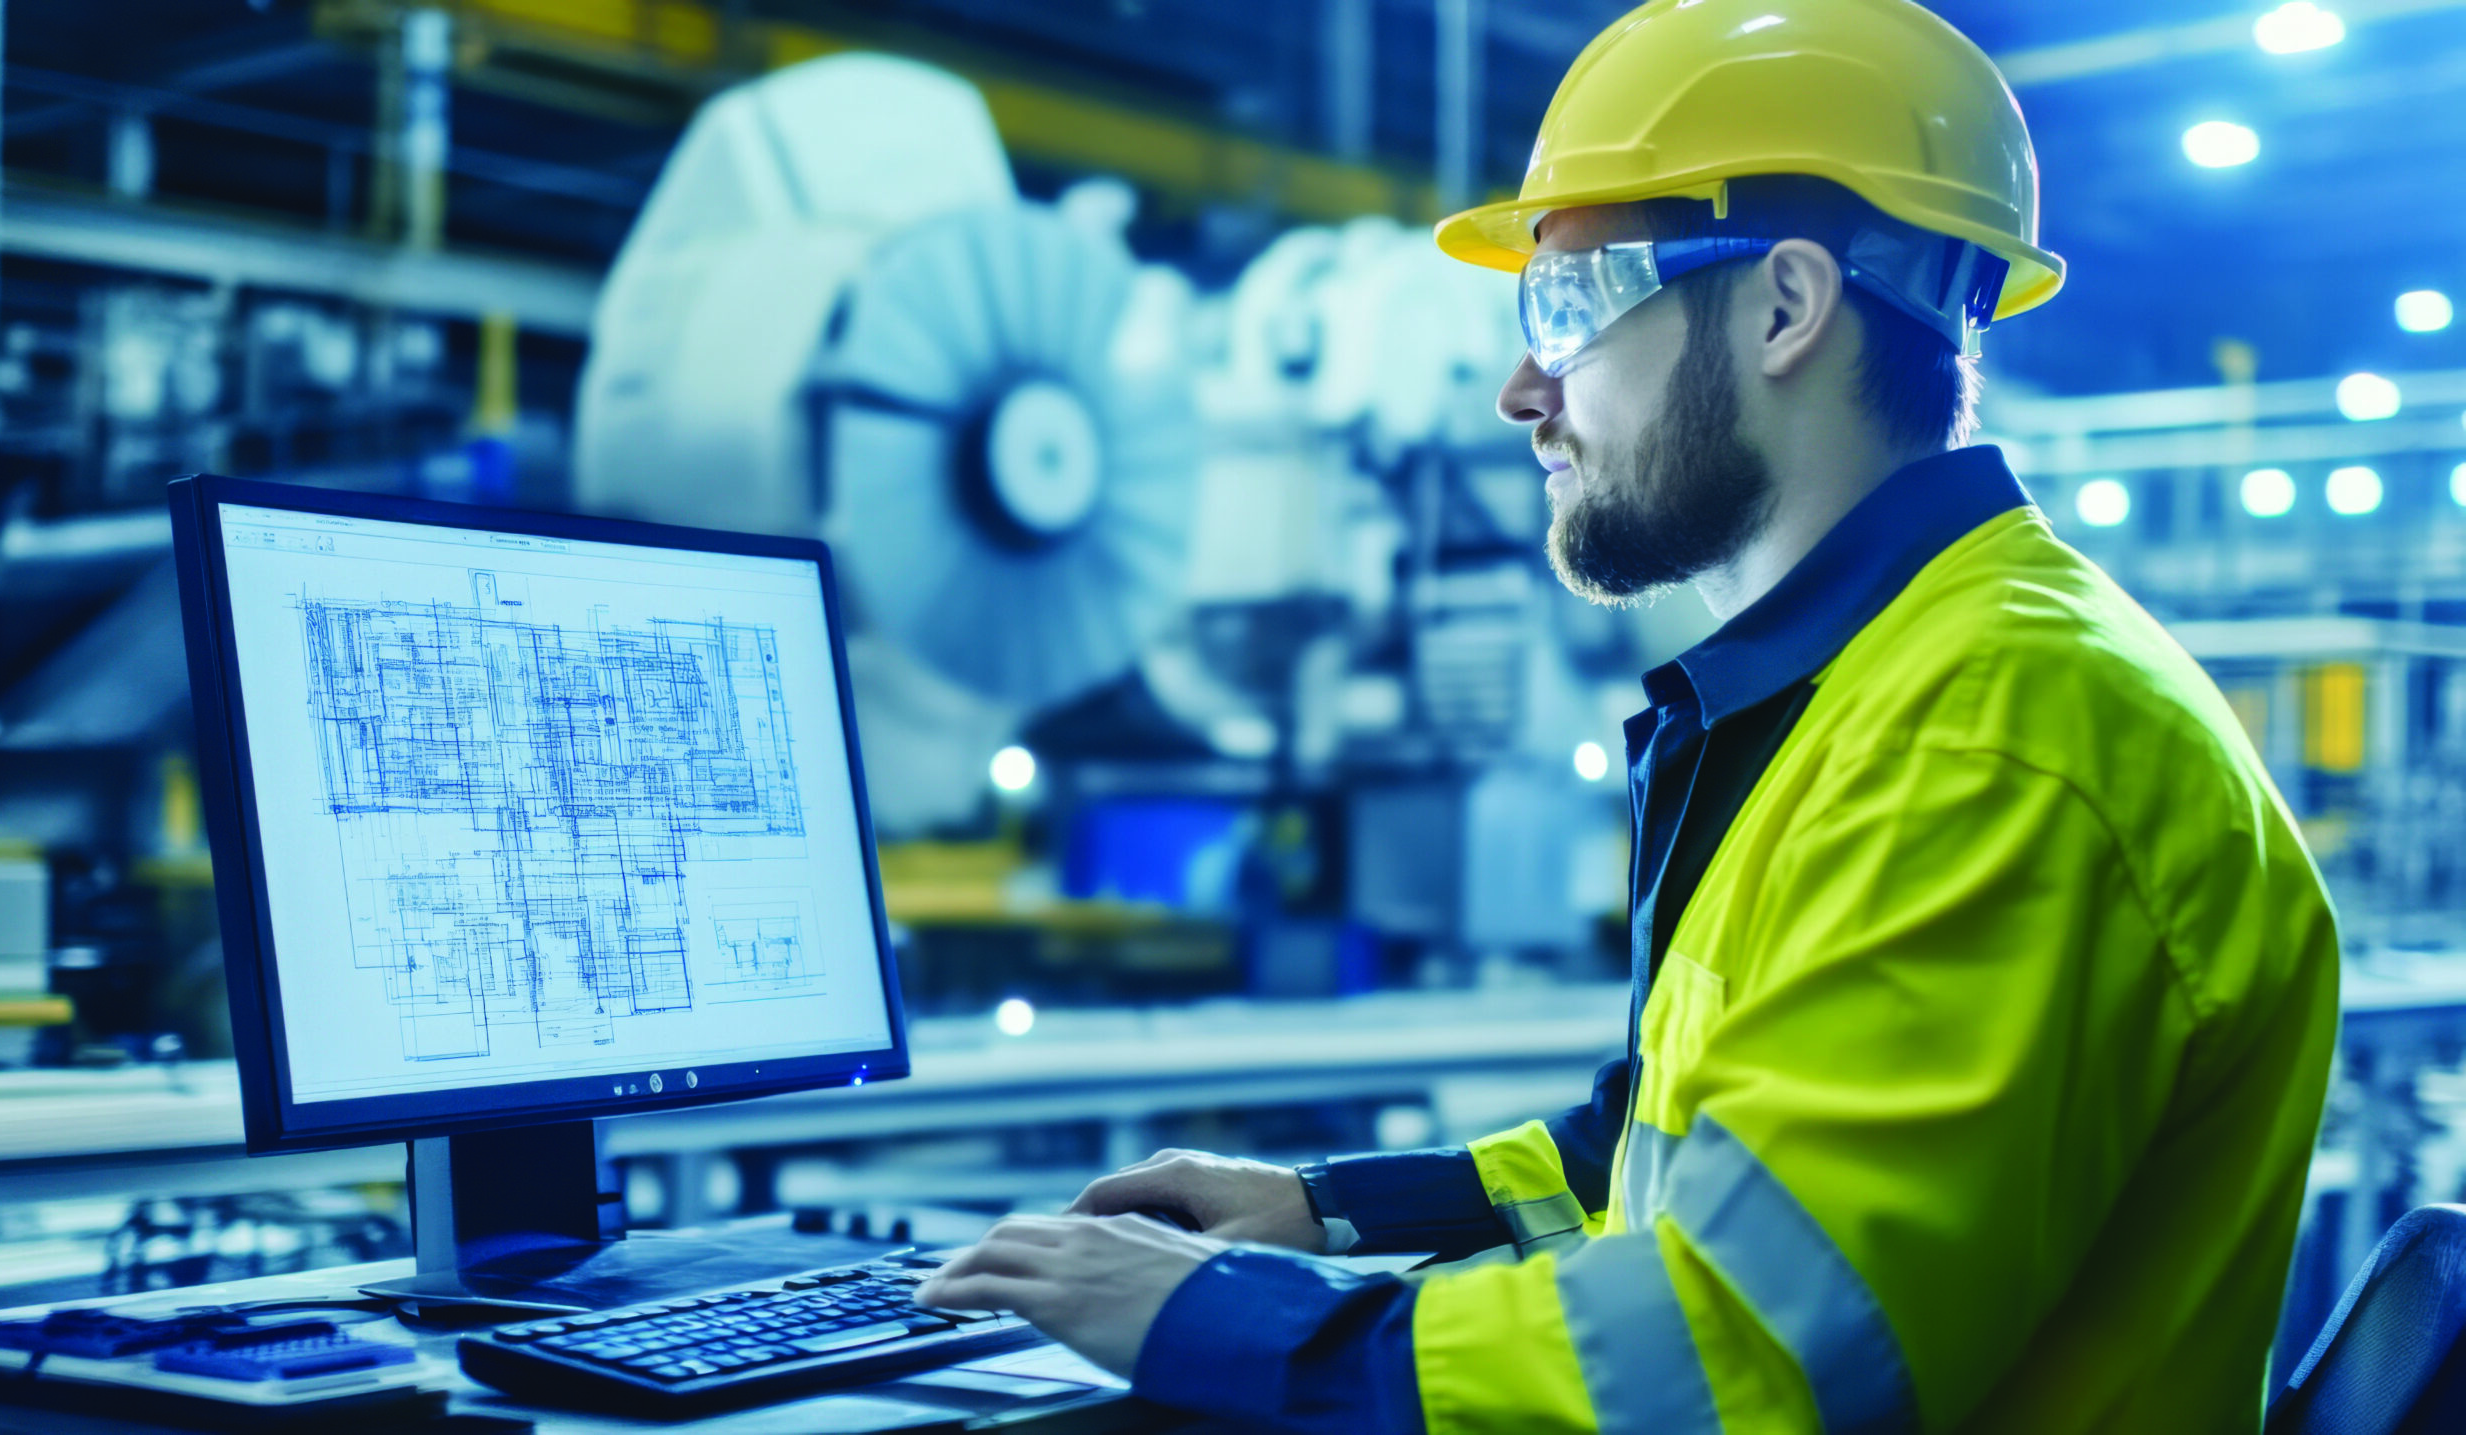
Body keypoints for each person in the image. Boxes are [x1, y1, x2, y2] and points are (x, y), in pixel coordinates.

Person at [914, 1, 2342, 1429]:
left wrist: (1212, 1319)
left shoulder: (1993, 737)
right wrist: (1318, 1209)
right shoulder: (1893, 689)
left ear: (1786, 307)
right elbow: (1689, 1163)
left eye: (1570, 307)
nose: (1523, 387)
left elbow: (1723, 1356)